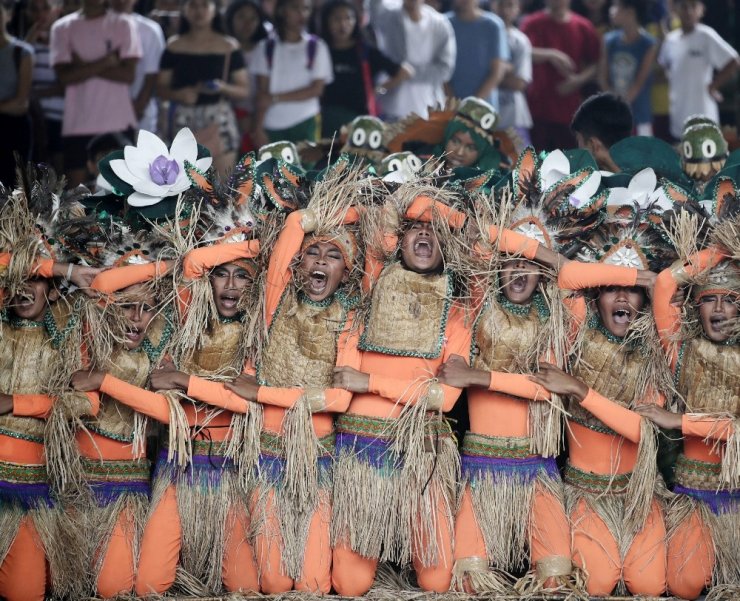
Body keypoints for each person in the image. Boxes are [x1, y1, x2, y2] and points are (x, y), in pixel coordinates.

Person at [438, 149, 585, 594]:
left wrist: (480, 378)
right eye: (511, 260)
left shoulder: (564, 314)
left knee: (555, 583)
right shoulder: (478, 302)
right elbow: (481, 239)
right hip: (479, 470)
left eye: (530, 264)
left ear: (543, 272)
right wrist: (523, 246)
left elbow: (546, 390)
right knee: (470, 584)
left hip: (538, 471)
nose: (519, 269)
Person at [330, 190, 472, 596]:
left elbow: (443, 398)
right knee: (350, 585)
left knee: (436, 580)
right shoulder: (372, 286)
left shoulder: (458, 310)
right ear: (396, 239)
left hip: (421, 457)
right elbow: (376, 219)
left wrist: (369, 383)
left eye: (435, 232)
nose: (425, 238)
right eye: (414, 230)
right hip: (362, 454)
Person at [134, 159, 263, 596]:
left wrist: (183, 382)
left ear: (258, 284)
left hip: (232, 472)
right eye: (221, 275)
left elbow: (244, 402)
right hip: (179, 466)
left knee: (243, 587)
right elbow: (193, 261)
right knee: (150, 583)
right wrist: (240, 246)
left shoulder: (262, 331)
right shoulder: (191, 316)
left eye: (241, 278)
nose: (228, 286)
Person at [530, 210, 673, 596]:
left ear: (646, 302)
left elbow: (642, 431)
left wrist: (580, 391)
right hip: (585, 494)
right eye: (611, 287)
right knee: (596, 585)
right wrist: (631, 276)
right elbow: (567, 276)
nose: (622, 296)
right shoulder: (575, 329)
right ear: (596, 297)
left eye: (633, 291)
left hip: (637, 497)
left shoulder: (655, 353)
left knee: (649, 587)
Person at [0, 191, 102, 601]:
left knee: (24, 593)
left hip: (31, 489)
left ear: (55, 291)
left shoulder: (71, 333)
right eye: (16, 280)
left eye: (36, 280)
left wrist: (17, 404)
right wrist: (60, 267)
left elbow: (88, 404)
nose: (24, 289)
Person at [639, 201, 740, 600]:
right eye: (709, 298)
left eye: (730, 299)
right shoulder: (681, 350)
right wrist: (724, 248)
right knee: (684, 587)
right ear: (696, 306)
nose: (719, 308)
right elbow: (665, 283)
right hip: (691, 497)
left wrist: (679, 422)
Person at [68, 235, 176, 599]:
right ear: (108, 307)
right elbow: (99, 284)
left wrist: (104, 382)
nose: (136, 317)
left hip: (127, 484)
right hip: (76, 483)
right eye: (127, 305)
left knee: (113, 587)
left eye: (146, 308)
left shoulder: (157, 350)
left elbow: (164, 410)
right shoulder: (88, 338)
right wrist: (163, 267)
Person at [49, 0, 141, 187]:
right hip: (78, 124)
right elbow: (65, 77)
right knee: (77, 199)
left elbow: (128, 75)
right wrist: (107, 62)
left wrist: (81, 66)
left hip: (118, 121)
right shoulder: (61, 27)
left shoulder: (123, 24)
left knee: (122, 193)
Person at [158, 0, 249, 176]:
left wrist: (223, 88)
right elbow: (161, 88)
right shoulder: (173, 46)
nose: (198, 11)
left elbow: (244, 90)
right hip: (183, 120)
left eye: (204, 5)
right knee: (186, 188)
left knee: (223, 190)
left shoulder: (229, 46)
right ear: (184, 9)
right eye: (192, 5)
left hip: (219, 121)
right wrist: (179, 94)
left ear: (215, 10)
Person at [319, 0, 411, 139]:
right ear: (327, 21)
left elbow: (405, 72)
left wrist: (378, 90)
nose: (343, 24)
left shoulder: (365, 51)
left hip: (359, 123)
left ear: (356, 20)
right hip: (327, 122)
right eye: (337, 18)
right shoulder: (320, 49)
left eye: (348, 18)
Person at [250, 0, 333, 146]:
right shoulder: (265, 47)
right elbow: (262, 95)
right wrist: (258, 128)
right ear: (282, 10)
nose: (301, 14)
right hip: (272, 123)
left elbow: (316, 89)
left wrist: (275, 98)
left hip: (305, 120)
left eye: (306, 8)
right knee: (272, 168)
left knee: (306, 169)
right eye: (295, 7)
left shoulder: (317, 47)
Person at [521, 0, 600, 151]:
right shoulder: (532, 23)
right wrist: (552, 54)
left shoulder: (583, 26)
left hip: (571, 111)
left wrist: (578, 80)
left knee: (570, 164)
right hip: (537, 109)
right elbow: (523, 51)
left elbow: (596, 63)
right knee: (538, 163)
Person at [657, 0, 739, 141]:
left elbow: (733, 61)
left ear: (701, 10)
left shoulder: (706, 35)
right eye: (683, 6)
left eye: (693, 6)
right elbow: (663, 65)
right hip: (679, 114)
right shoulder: (671, 40)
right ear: (675, 10)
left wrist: (713, 86)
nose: (688, 11)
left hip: (704, 115)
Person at [367, 0, 456, 121]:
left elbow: (445, 70)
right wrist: (397, 71)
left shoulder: (440, 24)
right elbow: (374, 7)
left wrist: (407, 72)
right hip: (389, 109)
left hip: (427, 109)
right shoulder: (388, 15)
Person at [599, 0, 657, 136]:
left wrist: (620, 106)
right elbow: (603, 77)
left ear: (630, 12)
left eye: (616, 6)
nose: (611, 10)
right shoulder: (608, 40)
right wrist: (613, 104)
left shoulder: (648, 44)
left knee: (642, 156)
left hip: (640, 116)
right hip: (613, 116)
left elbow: (639, 83)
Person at [110, 0, 165, 134]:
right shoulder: (95, 26)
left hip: (140, 115)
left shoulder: (150, 29)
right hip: (100, 111)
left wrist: (138, 108)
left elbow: (153, 75)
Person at [224, 0, 270, 152]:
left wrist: (256, 120)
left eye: (253, 19)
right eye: (241, 17)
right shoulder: (223, 49)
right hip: (229, 118)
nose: (247, 24)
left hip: (263, 118)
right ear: (231, 19)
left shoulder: (266, 49)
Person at [446, 0, 509, 111]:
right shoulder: (442, 23)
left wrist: (471, 105)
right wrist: (453, 103)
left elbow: (497, 72)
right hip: (448, 105)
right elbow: (439, 68)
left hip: (483, 108)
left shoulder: (493, 25)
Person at [24, 0, 65, 172]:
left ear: (57, 10)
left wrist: (35, 94)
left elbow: (66, 84)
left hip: (60, 117)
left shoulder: (65, 43)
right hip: (32, 118)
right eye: (34, 9)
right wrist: (28, 42)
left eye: (45, 8)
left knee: (60, 170)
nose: (40, 14)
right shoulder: (25, 46)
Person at [0, 0, 34, 187]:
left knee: (14, 188)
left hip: (13, 129)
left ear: (7, 15)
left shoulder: (21, 52)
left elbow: (21, 103)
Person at [493, 0, 533, 145]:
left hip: (513, 117)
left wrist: (491, 75)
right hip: (483, 115)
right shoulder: (482, 36)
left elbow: (519, 83)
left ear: (518, 9)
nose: (504, 10)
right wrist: (504, 71)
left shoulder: (520, 40)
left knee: (521, 165)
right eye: (500, 4)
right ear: (492, 5)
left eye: (509, 5)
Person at [570, 91, 632, 172]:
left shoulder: (588, 182)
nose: (578, 149)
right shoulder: (647, 177)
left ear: (595, 145)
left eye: (579, 140)